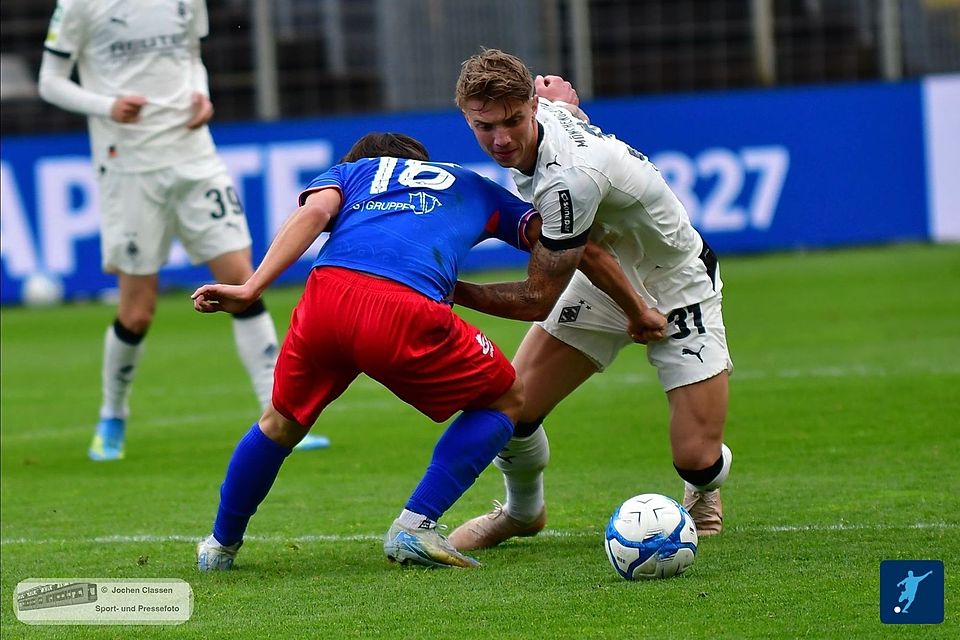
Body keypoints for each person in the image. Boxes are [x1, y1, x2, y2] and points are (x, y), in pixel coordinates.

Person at [192, 132, 543, 570]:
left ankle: (220, 546)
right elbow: (552, 236)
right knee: (505, 397)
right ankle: (417, 523)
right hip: (406, 308)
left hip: (326, 297)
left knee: (278, 424)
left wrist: (251, 287)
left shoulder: (354, 172)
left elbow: (315, 211)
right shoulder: (471, 182)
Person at [448, 48, 733, 548]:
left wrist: (444, 288)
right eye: (484, 126)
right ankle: (521, 513)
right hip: (599, 277)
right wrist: (568, 102)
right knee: (507, 409)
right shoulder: (545, 111)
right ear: (467, 117)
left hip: (676, 283)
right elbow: (564, 103)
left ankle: (703, 488)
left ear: (531, 109)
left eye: (513, 121)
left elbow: (537, 298)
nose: (501, 138)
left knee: (696, 458)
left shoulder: (568, 180)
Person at [37, 0, 328, 459]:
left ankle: (279, 411)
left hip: (195, 157)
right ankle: (113, 416)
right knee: (137, 312)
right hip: (128, 166)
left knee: (242, 281)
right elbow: (49, 82)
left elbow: (191, 56)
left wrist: (201, 92)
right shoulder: (78, 6)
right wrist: (107, 105)